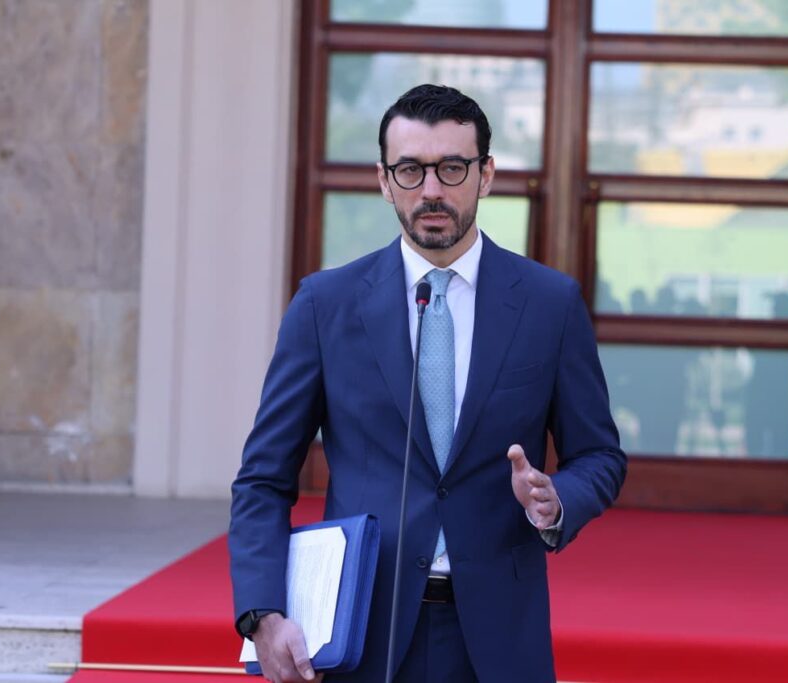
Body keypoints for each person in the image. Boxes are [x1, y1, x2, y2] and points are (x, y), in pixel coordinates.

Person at [229, 84, 626, 683]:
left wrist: (555, 500)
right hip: (361, 633)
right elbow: (263, 477)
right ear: (385, 181)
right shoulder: (325, 305)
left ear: (485, 175)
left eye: (452, 168)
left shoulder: (550, 304)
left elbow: (599, 455)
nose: (432, 190)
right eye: (411, 170)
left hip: (497, 638)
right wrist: (263, 614)